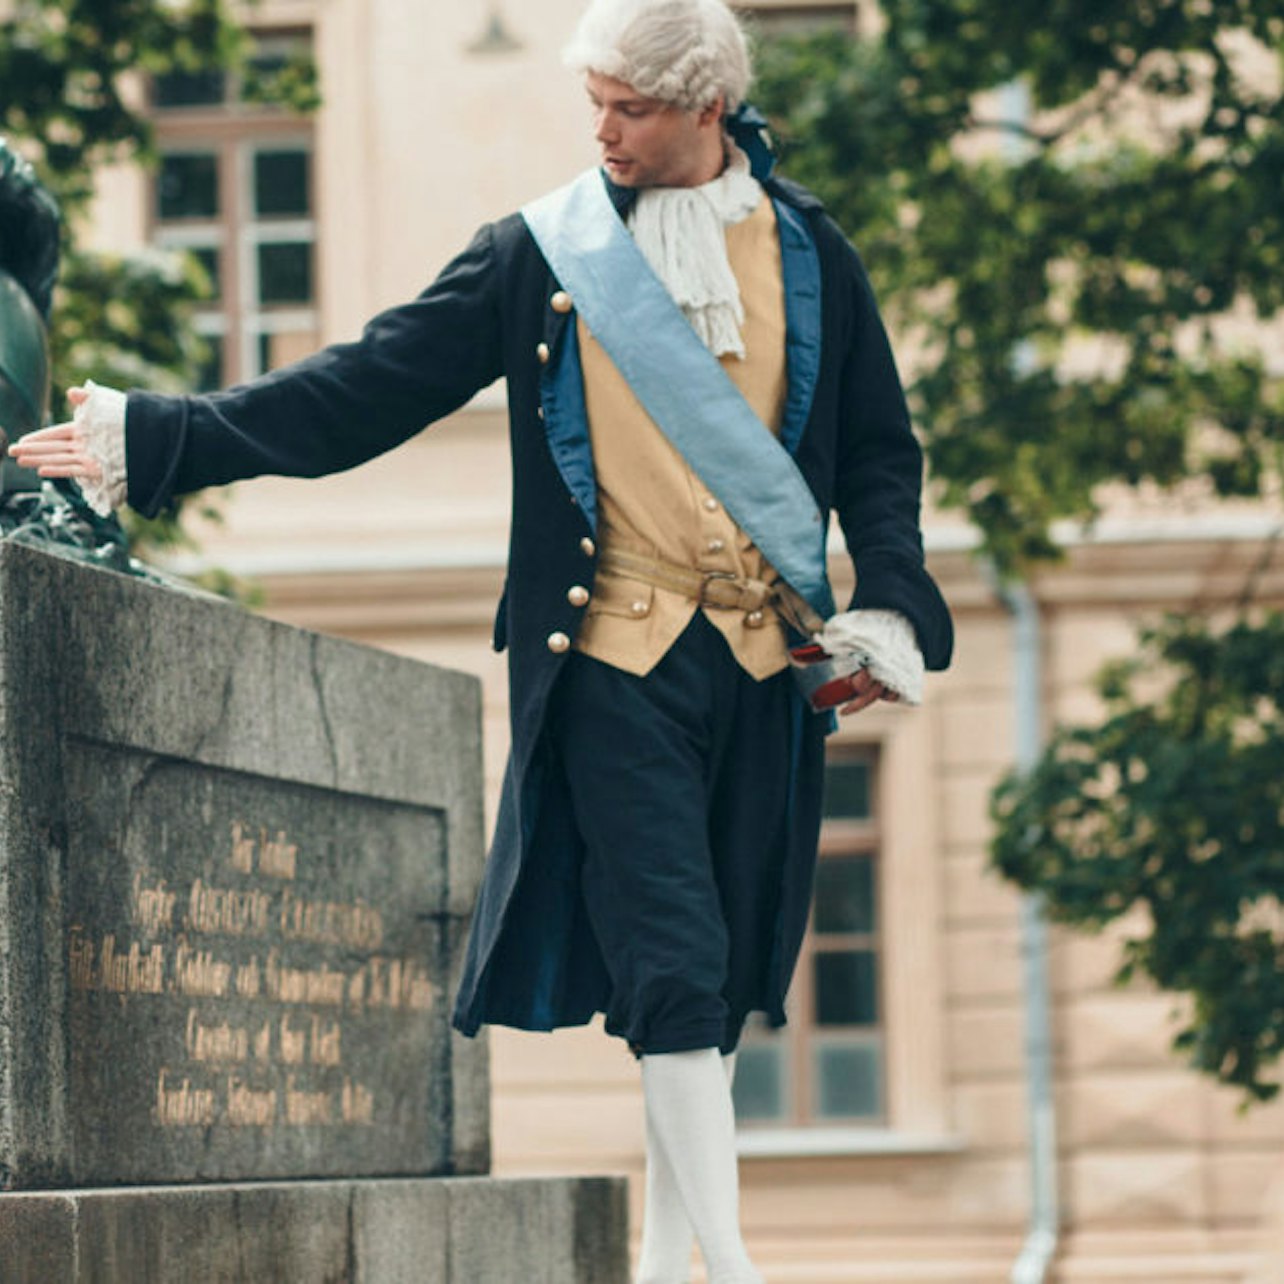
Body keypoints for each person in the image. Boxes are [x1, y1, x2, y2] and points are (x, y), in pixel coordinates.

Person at [13, 1, 952, 1279]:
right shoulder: (541, 252)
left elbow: (879, 453)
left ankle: (672, 1260)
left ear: (706, 110)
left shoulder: (813, 254)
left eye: (630, 111)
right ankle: (733, 1263)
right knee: (672, 954)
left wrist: (889, 596)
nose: (604, 134)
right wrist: (163, 436)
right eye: (596, 106)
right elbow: (367, 387)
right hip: (611, 663)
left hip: (764, 664)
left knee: (723, 970)